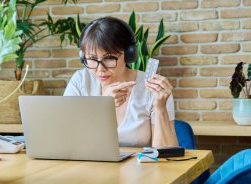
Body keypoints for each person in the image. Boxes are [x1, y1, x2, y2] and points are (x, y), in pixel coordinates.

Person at [63, 17, 178, 148]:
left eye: (109, 58)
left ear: (128, 55)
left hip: (139, 168)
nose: (100, 69)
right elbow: (69, 140)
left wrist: (160, 108)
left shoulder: (152, 89)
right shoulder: (81, 81)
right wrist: (102, 106)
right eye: (92, 59)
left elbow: (168, 154)